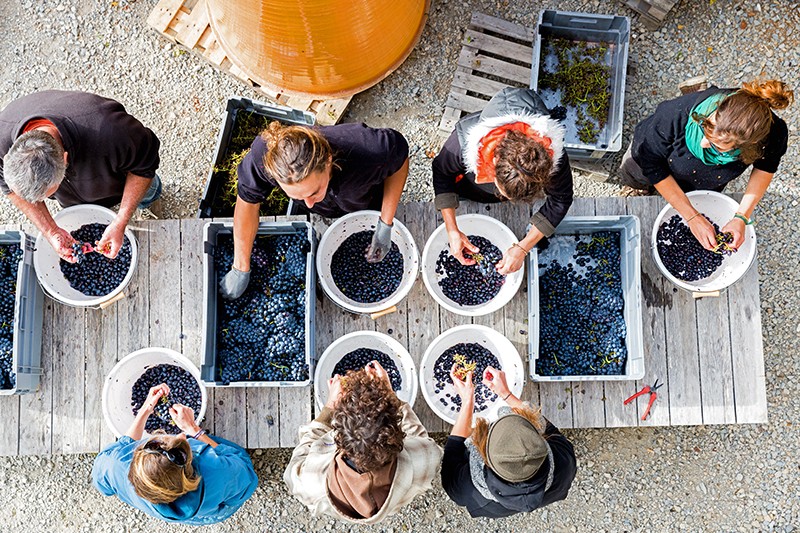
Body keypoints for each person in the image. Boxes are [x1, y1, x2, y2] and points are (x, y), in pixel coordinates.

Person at [220, 121, 409, 300]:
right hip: (333, 209)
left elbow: (400, 162)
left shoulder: (370, 149)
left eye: (314, 192)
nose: (309, 204)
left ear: (328, 161)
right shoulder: (264, 157)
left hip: (368, 202)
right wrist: (240, 267)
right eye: (298, 197)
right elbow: (248, 203)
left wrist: (385, 222)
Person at [619, 78, 793, 250]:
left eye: (717, 147)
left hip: (704, 177)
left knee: (694, 192)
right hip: (650, 157)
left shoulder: (773, 134)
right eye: (705, 128)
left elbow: (765, 168)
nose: (703, 144)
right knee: (637, 174)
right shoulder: (673, 114)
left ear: (748, 148)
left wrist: (741, 217)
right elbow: (651, 164)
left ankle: (681, 193)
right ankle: (639, 188)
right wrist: (692, 216)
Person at [0, 90, 163, 261]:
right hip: (75, 195)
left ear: (64, 159)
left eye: (49, 194)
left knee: (149, 193)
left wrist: (122, 219)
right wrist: (51, 231)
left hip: (120, 182)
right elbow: (7, 188)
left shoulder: (113, 131)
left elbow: (144, 166)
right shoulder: (1, 138)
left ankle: (149, 203)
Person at [432, 87, 574, 275]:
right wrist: (452, 229)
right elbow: (442, 171)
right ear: (494, 162)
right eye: (502, 191)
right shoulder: (463, 143)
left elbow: (561, 200)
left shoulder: (550, 159)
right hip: (466, 187)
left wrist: (523, 247)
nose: (501, 196)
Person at [284, 361, 441, 524]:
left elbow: (296, 463)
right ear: (397, 431)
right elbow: (419, 436)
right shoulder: (425, 457)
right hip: (395, 498)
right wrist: (391, 397)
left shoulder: (311, 480)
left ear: (338, 436)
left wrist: (329, 408)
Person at [92, 384, 258, 525]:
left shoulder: (114, 465)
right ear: (188, 470)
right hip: (216, 509)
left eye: (155, 442)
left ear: (138, 457)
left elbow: (103, 485)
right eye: (182, 450)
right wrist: (195, 430)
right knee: (238, 455)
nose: (181, 435)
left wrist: (145, 409)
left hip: (189, 515)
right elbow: (248, 476)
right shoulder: (218, 471)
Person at [441, 366, 577, 518]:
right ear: (539, 439)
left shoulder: (463, 488)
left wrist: (467, 400)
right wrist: (505, 393)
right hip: (549, 492)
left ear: (483, 451)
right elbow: (543, 425)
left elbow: (455, 445)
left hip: (489, 507)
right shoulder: (564, 461)